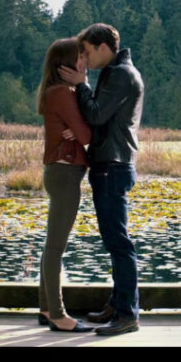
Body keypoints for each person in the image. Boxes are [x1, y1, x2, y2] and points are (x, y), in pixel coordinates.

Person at [58, 23, 144, 336]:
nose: (84, 58)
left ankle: (127, 314)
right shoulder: (117, 73)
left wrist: (81, 84)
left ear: (103, 47)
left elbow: (95, 115)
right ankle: (118, 305)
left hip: (112, 165)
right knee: (115, 241)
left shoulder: (121, 75)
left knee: (119, 243)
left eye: (87, 52)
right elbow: (100, 119)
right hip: (112, 164)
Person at [36, 37, 95, 333]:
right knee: (56, 247)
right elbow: (87, 136)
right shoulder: (62, 93)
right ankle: (58, 316)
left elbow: (80, 131)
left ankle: (46, 308)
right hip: (64, 173)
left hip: (62, 172)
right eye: (80, 57)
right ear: (65, 64)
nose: (85, 61)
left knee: (53, 245)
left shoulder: (60, 91)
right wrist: (80, 127)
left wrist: (78, 125)